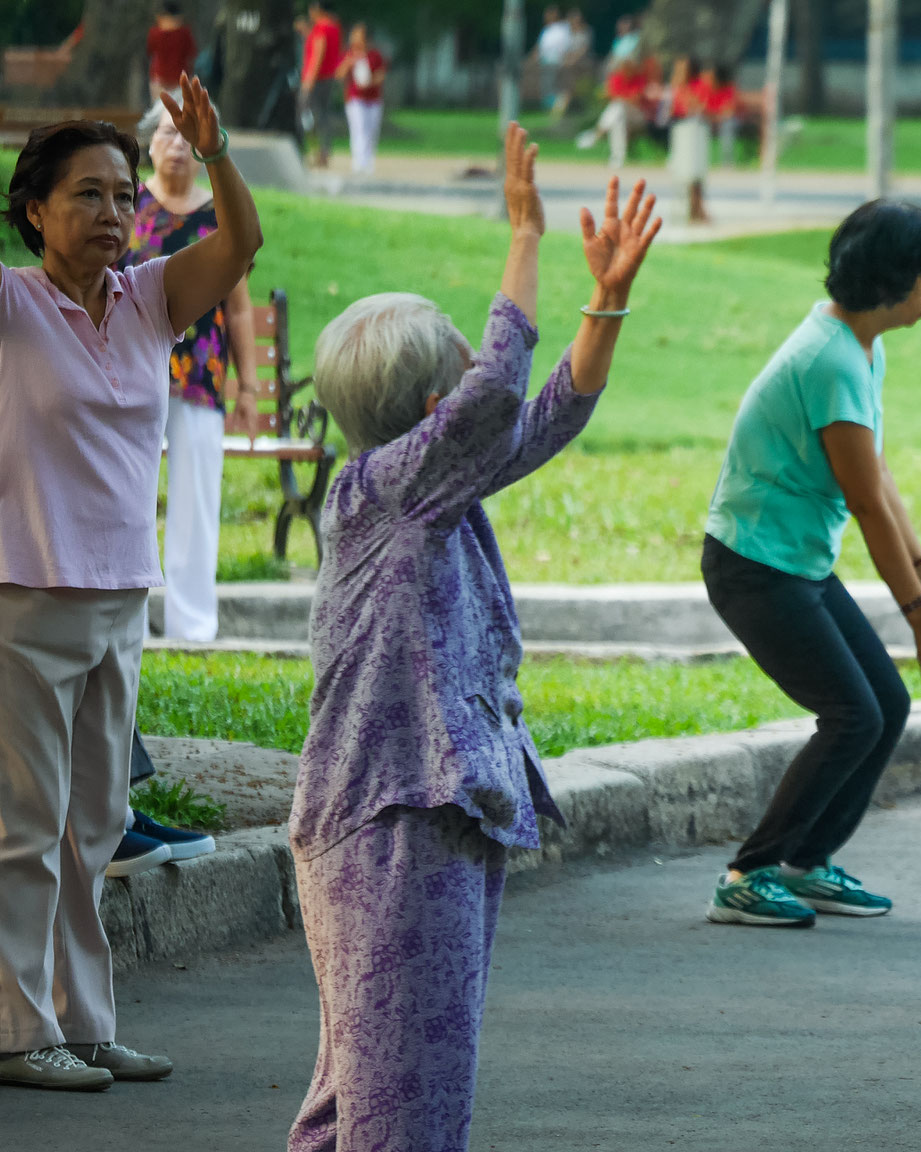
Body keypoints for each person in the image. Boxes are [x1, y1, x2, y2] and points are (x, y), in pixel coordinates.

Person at [288, 126, 661, 1151]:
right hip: (390, 819)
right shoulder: (382, 491)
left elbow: (546, 413)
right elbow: (501, 388)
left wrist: (608, 296)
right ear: (429, 410)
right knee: (400, 1105)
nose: (478, 363)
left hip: (427, 811)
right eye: (459, 358)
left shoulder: (434, 493)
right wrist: (526, 233)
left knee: (364, 1094)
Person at [0, 52, 263, 1094]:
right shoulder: (1, 307)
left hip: (115, 599)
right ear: (34, 213)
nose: (110, 211)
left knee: (93, 827)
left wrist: (213, 148)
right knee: (21, 829)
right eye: (85, 194)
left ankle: (85, 1024)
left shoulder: (147, 301)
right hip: (23, 598)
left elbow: (244, 242)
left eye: (124, 196)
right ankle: (16, 1035)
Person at [701, 200, 921, 929]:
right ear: (895, 282)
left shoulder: (857, 348)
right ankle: (747, 875)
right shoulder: (832, 362)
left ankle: (807, 862)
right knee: (852, 714)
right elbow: (868, 505)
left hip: (795, 564)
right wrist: (916, 614)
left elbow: (876, 477)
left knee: (886, 706)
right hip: (754, 565)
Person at [120, 101, 261, 646]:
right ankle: (123, 614)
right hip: (132, 372)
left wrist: (247, 385)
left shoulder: (219, 214)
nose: (176, 145)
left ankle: (193, 627)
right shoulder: (127, 204)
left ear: (204, 149)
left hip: (201, 379)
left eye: (186, 137)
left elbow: (240, 307)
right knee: (125, 494)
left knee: (196, 504)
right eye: (165, 134)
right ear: (148, 143)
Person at [575, 52, 652, 169]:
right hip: (621, 116)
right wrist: (623, 97)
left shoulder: (639, 79)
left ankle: (597, 134)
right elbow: (608, 95)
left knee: (618, 108)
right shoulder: (617, 78)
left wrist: (620, 97)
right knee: (618, 117)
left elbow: (635, 100)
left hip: (637, 117)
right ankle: (618, 157)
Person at [335, 22, 387, 175]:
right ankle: (359, 161)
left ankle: (368, 161)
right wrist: (348, 63)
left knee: (371, 130)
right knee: (359, 128)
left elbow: (381, 74)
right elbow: (339, 74)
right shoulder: (349, 54)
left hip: (373, 98)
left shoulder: (374, 55)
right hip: (355, 98)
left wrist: (370, 82)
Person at [666, 56, 711, 224]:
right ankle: (686, 208)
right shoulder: (677, 86)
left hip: (694, 130)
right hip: (680, 130)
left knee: (694, 172)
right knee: (681, 171)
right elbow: (674, 109)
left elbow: (697, 106)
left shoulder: (698, 85)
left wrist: (682, 88)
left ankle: (697, 208)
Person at [298, 2, 343, 170]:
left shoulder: (321, 28)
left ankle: (312, 149)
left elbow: (318, 54)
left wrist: (309, 80)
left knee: (307, 114)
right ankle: (324, 151)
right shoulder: (335, 26)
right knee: (324, 115)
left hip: (316, 79)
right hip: (329, 78)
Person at [146, 2, 195, 105]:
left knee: (159, 110)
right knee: (180, 111)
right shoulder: (184, 32)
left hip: (159, 77)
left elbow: (150, 51)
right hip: (180, 78)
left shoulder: (155, 32)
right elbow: (191, 53)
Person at [534, 6, 572, 112]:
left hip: (556, 60)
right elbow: (540, 46)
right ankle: (551, 107)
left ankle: (556, 107)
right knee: (546, 86)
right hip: (545, 61)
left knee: (552, 85)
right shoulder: (546, 30)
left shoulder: (562, 29)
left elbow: (565, 46)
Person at [704, 62, 741, 169]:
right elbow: (703, 108)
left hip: (728, 121)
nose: (708, 80)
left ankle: (727, 162)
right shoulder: (707, 89)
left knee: (727, 125)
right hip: (712, 120)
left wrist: (716, 118)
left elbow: (729, 112)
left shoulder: (729, 89)